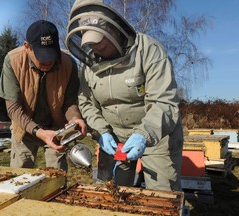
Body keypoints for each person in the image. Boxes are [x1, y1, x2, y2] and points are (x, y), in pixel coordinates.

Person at [66, 0, 183, 191]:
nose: (96, 48)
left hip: (156, 135)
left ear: (114, 30)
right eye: (90, 43)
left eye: (100, 40)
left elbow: (164, 102)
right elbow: (86, 102)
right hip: (114, 138)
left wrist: (144, 135)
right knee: (112, 191)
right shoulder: (88, 64)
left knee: (163, 193)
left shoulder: (149, 50)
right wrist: (102, 131)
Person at [0, 20, 87, 171]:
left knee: (57, 176)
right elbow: (13, 109)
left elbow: (70, 102)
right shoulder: (12, 61)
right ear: (27, 47)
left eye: (51, 54)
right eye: (42, 55)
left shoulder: (69, 63)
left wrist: (75, 117)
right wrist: (39, 132)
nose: (48, 61)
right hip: (24, 127)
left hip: (57, 130)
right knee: (20, 176)